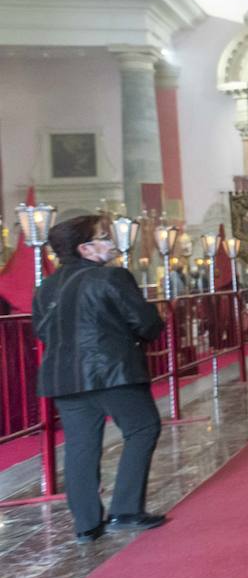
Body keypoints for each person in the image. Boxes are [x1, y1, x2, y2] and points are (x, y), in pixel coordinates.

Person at [34, 215, 166, 542]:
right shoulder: (111, 277)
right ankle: (126, 510)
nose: (110, 243)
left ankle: (87, 524)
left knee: (80, 446)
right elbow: (145, 322)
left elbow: (41, 330)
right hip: (112, 370)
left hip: (63, 376)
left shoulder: (45, 287)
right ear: (86, 248)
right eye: (104, 237)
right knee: (142, 428)